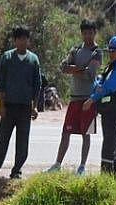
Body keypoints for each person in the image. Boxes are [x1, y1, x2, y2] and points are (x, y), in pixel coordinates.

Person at [47, 20, 103, 175]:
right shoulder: (76, 49)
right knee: (66, 132)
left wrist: (73, 69)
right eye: (85, 33)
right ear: (81, 33)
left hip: (88, 100)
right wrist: (78, 69)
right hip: (74, 99)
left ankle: (82, 167)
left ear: (94, 33)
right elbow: (63, 67)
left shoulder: (97, 52)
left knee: (86, 134)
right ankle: (57, 164)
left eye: (90, 33)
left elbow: (90, 74)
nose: (87, 36)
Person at [0, 27, 41, 180]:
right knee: (2, 140)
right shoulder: (7, 57)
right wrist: (1, 105)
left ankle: (16, 171)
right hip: (9, 107)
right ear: (15, 40)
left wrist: (34, 106)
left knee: (22, 142)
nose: (23, 42)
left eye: (25, 39)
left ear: (28, 40)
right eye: (19, 39)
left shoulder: (33, 60)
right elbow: (0, 83)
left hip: (25, 108)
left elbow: (37, 85)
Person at [85, 36, 116, 177]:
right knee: (113, 142)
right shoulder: (112, 66)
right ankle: (114, 174)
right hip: (108, 110)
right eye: (109, 50)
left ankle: (106, 175)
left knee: (109, 143)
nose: (110, 53)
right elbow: (101, 83)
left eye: (113, 50)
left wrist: (91, 100)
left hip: (114, 110)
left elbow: (107, 87)